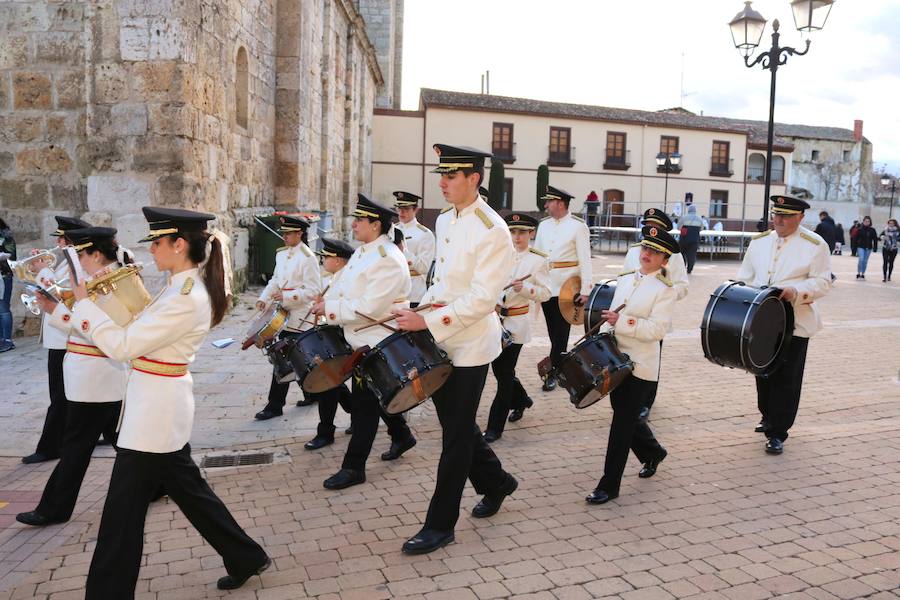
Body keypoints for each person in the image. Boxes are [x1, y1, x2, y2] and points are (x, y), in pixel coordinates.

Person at [70, 207, 270, 597]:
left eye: (158, 243)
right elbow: (138, 325)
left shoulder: (185, 295)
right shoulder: (178, 285)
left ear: (179, 245)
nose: (152, 251)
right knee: (188, 491)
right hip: (156, 406)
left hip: (154, 415)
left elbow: (124, 345)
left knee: (120, 518)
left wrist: (83, 308)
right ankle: (244, 555)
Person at [393, 144, 518, 555]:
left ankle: (439, 525)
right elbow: (444, 280)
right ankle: (498, 482)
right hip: (440, 335)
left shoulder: (493, 231)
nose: (442, 183)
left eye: (451, 176)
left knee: (455, 438)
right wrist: (420, 307)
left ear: (474, 179)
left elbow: (483, 300)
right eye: (441, 175)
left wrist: (428, 321)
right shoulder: (446, 219)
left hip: (470, 346)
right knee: (459, 428)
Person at [15, 227, 131, 527]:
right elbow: (81, 325)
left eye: (81, 254)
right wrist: (55, 308)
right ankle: (160, 484)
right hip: (92, 379)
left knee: (76, 448)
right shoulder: (94, 281)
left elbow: (100, 331)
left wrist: (61, 309)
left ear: (96, 254)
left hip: (97, 378)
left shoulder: (112, 283)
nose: (78, 260)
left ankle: (53, 508)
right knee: (125, 443)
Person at [311, 195, 417, 489]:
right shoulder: (363, 252)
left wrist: (329, 310)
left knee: (364, 406)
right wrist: (327, 300)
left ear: (375, 224)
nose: (354, 223)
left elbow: (370, 307)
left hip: (377, 343)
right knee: (375, 397)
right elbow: (345, 288)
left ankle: (354, 467)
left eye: (359, 220)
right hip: (358, 339)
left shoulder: (387, 259)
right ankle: (402, 435)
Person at [585, 225, 677, 505]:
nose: (647, 254)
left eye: (655, 252)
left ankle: (609, 485)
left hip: (640, 366)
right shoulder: (625, 279)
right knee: (624, 414)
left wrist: (621, 322)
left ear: (665, 260)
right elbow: (613, 316)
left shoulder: (665, 291)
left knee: (621, 424)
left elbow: (656, 331)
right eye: (645, 248)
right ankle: (653, 452)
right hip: (616, 361)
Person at [736, 195, 832, 455]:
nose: (779, 220)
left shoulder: (815, 245)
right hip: (761, 320)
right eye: (776, 214)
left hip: (796, 321)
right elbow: (744, 278)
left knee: (787, 378)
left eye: (786, 216)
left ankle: (778, 431)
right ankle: (767, 416)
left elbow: (823, 282)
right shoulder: (758, 242)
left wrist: (795, 291)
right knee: (762, 372)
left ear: (801, 217)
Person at [21, 216, 91, 464]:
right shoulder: (66, 264)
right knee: (62, 395)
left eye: (62, 238)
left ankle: (50, 447)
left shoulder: (77, 266)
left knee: (59, 397)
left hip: (65, 338)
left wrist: (42, 271)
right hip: (57, 337)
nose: (58, 242)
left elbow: (57, 294)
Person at [484, 213, 550, 442]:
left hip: (515, 324)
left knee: (503, 375)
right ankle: (521, 399)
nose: (517, 237)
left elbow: (546, 292)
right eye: (513, 231)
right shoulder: (500, 253)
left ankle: (495, 427)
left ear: (531, 233)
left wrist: (525, 288)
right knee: (500, 370)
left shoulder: (538, 260)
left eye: (522, 232)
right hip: (493, 321)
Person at [622, 209, 688, 422]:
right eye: (648, 225)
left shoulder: (673, 256)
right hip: (628, 318)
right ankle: (627, 398)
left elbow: (682, 286)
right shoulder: (634, 251)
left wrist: (663, 296)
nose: (652, 230)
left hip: (653, 318)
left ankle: (645, 403)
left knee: (650, 362)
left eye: (657, 227)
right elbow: (622, 281)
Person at [254, 216, 322, 420]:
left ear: (300, 233)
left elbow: (313, 290)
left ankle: (275, 406)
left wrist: (287, 296)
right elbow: (275, 280)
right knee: (296, 360)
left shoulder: (308, 257)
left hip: (301, 317)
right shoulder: (282, 255)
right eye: (283, 233)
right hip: (283, 315)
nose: (284, 236)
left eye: (289, 233)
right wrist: (264, 298)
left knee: (284, 360)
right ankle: (313, 393)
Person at [534, 185, 592, 391]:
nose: (546, 205)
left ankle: (554, 373)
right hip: (547, 286)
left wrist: (586, 290)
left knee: (561, 333)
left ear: (560, 203)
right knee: (552, 331)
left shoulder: (578, 226)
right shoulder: (543, 225)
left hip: (568, 288)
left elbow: (585, 260)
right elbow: (538, 256)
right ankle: (560, 367)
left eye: (549, 201)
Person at [302, 237, 355, 450]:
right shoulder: (333, 278)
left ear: (339, 261)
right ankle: (398, 431)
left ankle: (326, 432)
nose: (323, 260)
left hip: (345, 335)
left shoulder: (347, 279)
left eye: (327, 257)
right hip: (334, 334)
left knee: (329, 383)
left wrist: (327, 307)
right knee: (332, 382)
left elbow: (347, 307)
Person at [393, 191, 436, 307]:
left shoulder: (425, 234)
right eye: (399, 208)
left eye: (406, 209)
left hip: (413, 293)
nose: (401, 212)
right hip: (392, 291)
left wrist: (404, 252)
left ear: (416, 210)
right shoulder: (392, 230)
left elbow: (424, 267)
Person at [0, 217, 16, 352]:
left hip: (4, 275)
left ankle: (7, 340)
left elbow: (11, 255)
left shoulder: (5, 235)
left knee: (4, 308)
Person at [678, 205, 703, 273]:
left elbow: (679, 227)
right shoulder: (699, 218)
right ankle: (689, 269)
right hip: (695, 238)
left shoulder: (684, 217)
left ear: (688, 210)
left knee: (682, 253)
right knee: (692, 254)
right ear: (695, 210)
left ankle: (683, 267)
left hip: (684, 238)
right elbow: (701, 228)